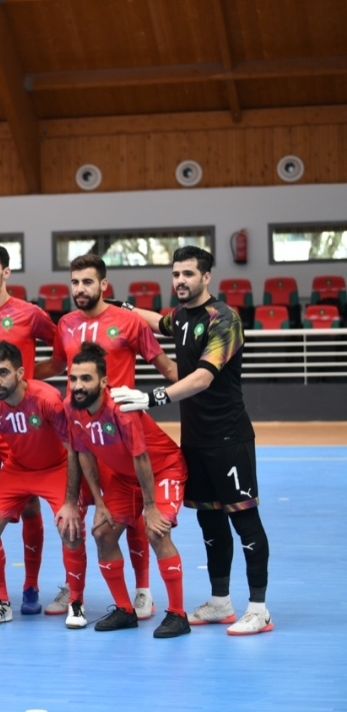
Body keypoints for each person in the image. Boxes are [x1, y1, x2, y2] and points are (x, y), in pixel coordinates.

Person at [111, 246, 273, 635]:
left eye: (188, 274)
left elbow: (203, 376)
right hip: (196, 441)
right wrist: (122, 308)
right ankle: (220, 602)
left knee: (244, 520)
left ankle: (259, 608)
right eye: (175, 274)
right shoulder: (182, 317)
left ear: (206, 277)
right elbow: (159, 321)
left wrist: (154, 398)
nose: (180, 280)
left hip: (229, 438)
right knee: (209, 520)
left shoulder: (225, 319)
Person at [36, 253, 178, 620]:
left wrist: (207, 379)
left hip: (123, 432)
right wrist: (12, 377)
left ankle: (142, 590)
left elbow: (165, 367)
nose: (80, 289)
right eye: (75, 282)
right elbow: (55, 366)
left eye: (88, 282)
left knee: (136, 517)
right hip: (83, 433)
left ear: (104, 285)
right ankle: (75, 588)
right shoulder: (64, 324)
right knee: (88, 513)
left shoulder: (128, 322)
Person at [61, 343, 190, 639]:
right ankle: (124, 609)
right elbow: (83, 453)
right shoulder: (71, 408)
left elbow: (141, 458)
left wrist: (151, 507)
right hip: (122, 477)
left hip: (161, 470)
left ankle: (178, 614)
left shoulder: (120, 408)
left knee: (155, 530)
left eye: (86, 379)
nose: (78, 386)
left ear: (104, 382)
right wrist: (100, 502)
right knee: (102, 532)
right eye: (73, 379)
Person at [0, 243, 57, 616]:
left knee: (30, 506)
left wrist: (31, 378)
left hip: (22, 426)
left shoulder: (30, 314)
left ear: (6, 272)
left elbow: (61, 353)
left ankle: (30, 585)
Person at [0, 341, 88, 629]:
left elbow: (73, 448)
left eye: (3, 372)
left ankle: (76, 602)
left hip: (55, 468)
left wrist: (71, 501)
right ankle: (1, 601)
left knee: (71, 529)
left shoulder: (47, 398)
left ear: (20, 373)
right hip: (17, 469)